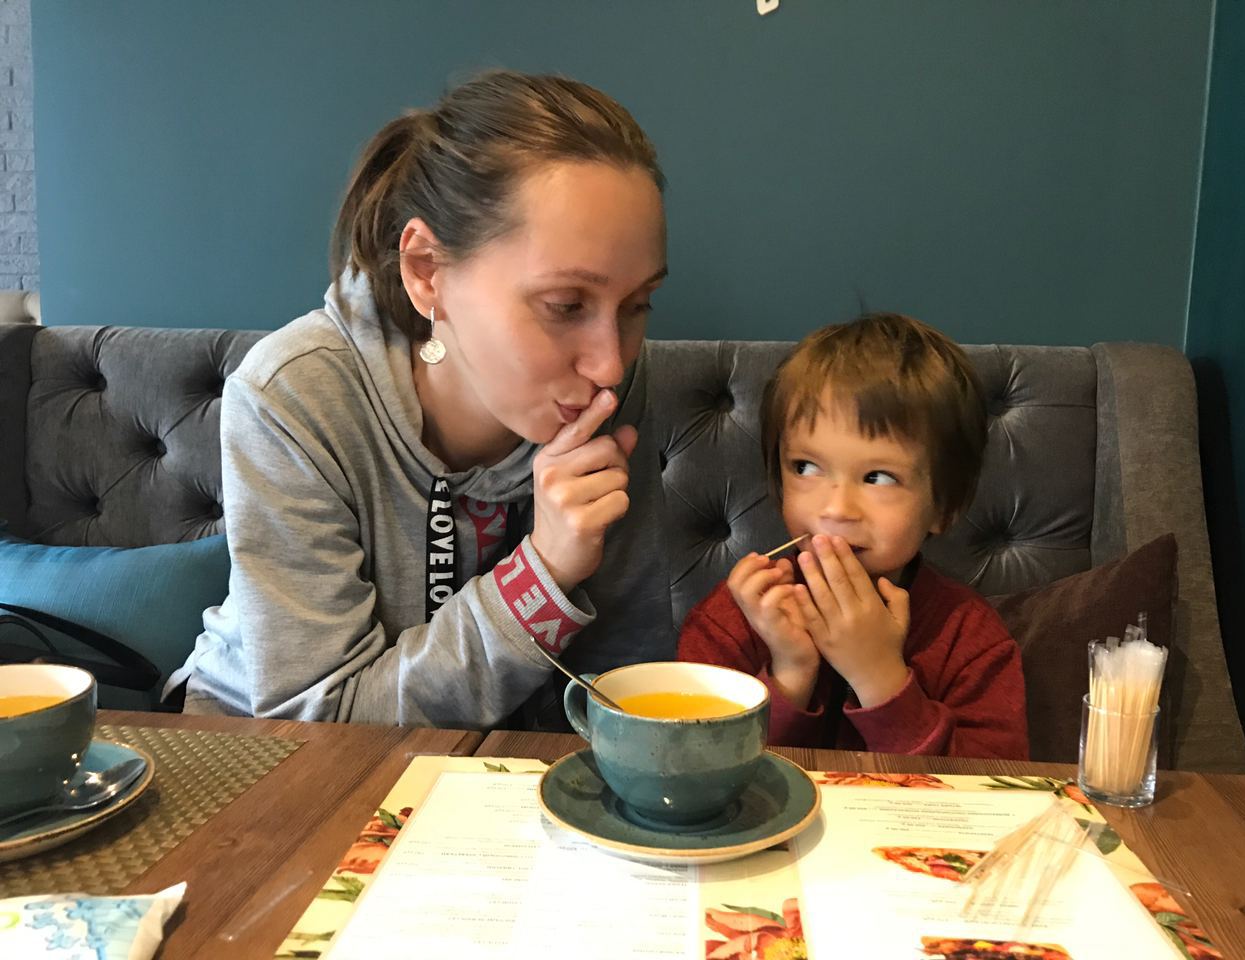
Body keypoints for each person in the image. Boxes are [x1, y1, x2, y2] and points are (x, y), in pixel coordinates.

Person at [169, 70, 674, 728]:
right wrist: (542, 573)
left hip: (488, 771)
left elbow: (623, 678)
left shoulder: (612, 385)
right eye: (565, 305)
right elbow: (322, 723)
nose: (609, 363)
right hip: (259, 752)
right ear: (427, 271)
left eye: (637, 305)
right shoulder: (293, 396)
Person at [678, 313, 1029, 758]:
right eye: (806, 467)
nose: (836, 509)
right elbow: (692, 763)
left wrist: (878, 677)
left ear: (945, 507)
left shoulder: (968, 637)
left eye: (878, 477)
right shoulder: (734, 618)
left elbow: (998, 785)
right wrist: (791, 672)